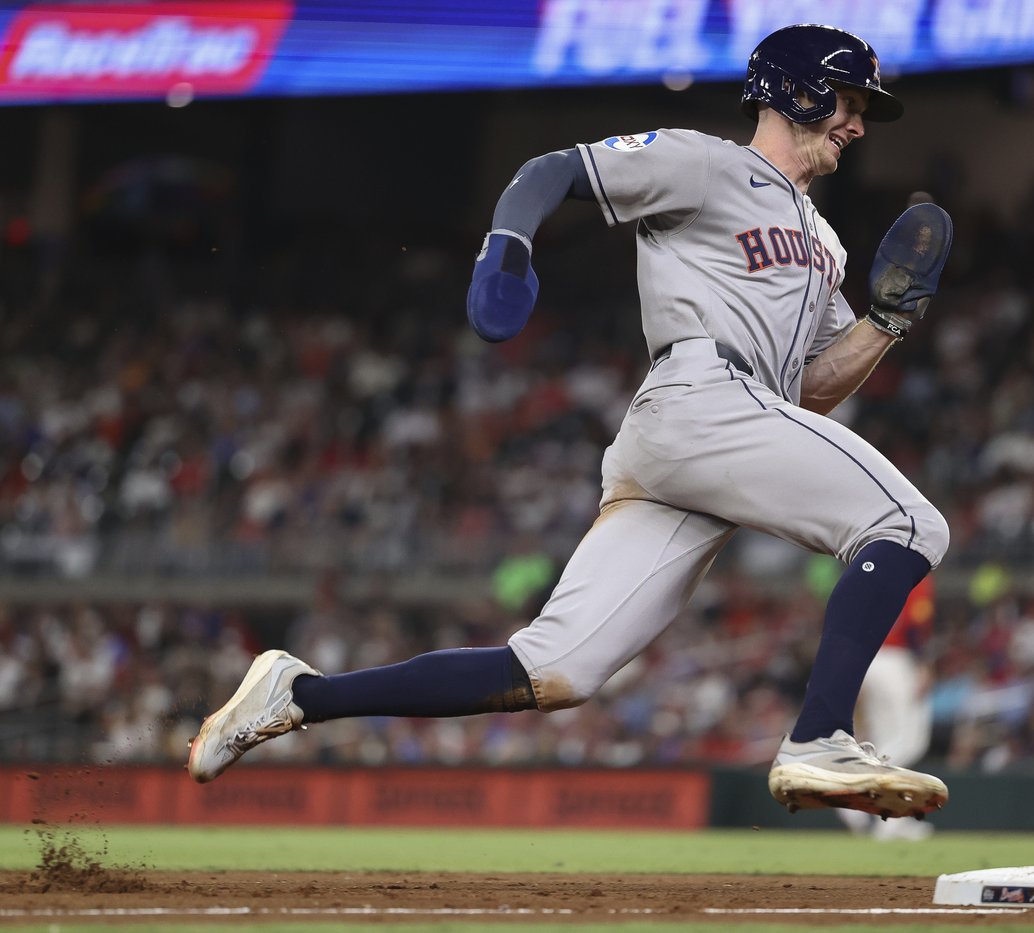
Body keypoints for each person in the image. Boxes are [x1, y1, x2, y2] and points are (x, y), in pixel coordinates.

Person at [187, 24, 954, 823]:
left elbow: (811, 391)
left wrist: (887, 322)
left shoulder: (823, 242)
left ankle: (299, 694)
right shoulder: (706, 160)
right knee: (906, 523)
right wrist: (509, 241)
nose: (859, 124)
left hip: (720, 429)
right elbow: (550, 170)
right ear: (800, 89)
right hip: (701, 393)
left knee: (555, 669)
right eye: (851, 101)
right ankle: (820, 734)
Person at [837, 574, 937, 839]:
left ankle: (891, 821)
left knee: (885, 739)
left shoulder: (878, 569)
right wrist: (924, 664)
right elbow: (913, 626)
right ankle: (855, 795)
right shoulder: (917, 572)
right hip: (896, 659)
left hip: (868, 657)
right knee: (910, 740)